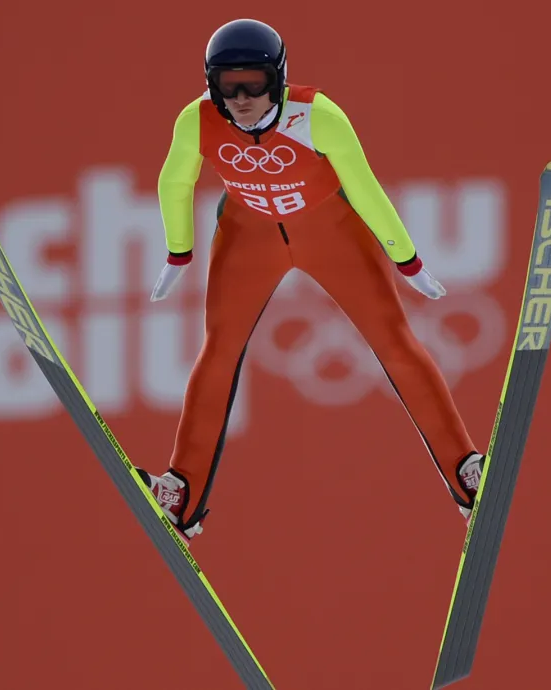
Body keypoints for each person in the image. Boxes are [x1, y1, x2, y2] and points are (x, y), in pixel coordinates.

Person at [135, 18, 484, 545]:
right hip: (248, 235)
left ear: (277, 79)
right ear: (211, 84)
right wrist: (178, 252)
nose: (242, 98)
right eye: (228, 85)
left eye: (254, 83)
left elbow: (365, 188)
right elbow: (174, 180)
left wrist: (407, 260)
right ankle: (181, 494)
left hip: (332, 229)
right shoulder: (198, 119)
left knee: (393, 340)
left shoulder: (318, 115)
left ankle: (465, 472)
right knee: (219, 351)